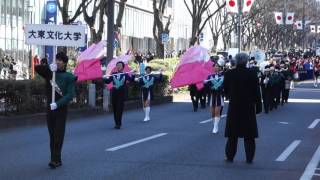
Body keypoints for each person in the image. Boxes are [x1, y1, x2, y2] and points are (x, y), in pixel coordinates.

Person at [35, 52, 76, 169]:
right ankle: (56, 159)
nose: (58, 62)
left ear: (65, 63)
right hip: (50, 109)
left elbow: (70, 95)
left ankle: (55, 160)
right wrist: (49, 67)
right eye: (56, 59)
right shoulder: (50, 73)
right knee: (52, 135)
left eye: (60, 60)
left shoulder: (69, 76)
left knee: (58, 135)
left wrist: (57, 104)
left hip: (61, 109)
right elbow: (37, 68)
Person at [223, 53, 262, 164]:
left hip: (234, 106)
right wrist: (258, 106)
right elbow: (257, 91)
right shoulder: (252, 73)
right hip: (248, 107)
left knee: (232, 134)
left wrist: (229, 95)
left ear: (235, 61)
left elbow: (225, 89)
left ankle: (230, 156)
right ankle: (249, 158)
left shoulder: (229, 74)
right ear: (246, 61)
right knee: (249, 135)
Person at [103, 61, 135, 129]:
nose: (118, 66)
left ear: (123, 67)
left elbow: (131, 80)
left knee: (119, 108)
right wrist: (103, 78)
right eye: (117, 65)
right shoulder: (113, 74)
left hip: (121, 93)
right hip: (114, 92)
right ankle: (116, 122)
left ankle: (118, 123)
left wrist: (133, 74)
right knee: (114, 108)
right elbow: (108, 81)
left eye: (120, 65)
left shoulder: (125, 75)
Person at [204, 59, 225, 134]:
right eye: (214, 66)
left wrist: (219, 87)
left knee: (217, 111)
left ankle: (215, 127)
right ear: (212, 68)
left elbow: (224, 85)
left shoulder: (222, 76)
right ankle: (214, 125)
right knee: (212, 113)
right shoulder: (209, 77)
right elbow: (206, 86)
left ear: (220, 68)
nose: (216, 67)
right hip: (211, 96)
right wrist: (205, 83)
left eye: (217, 66)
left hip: (219, 96)